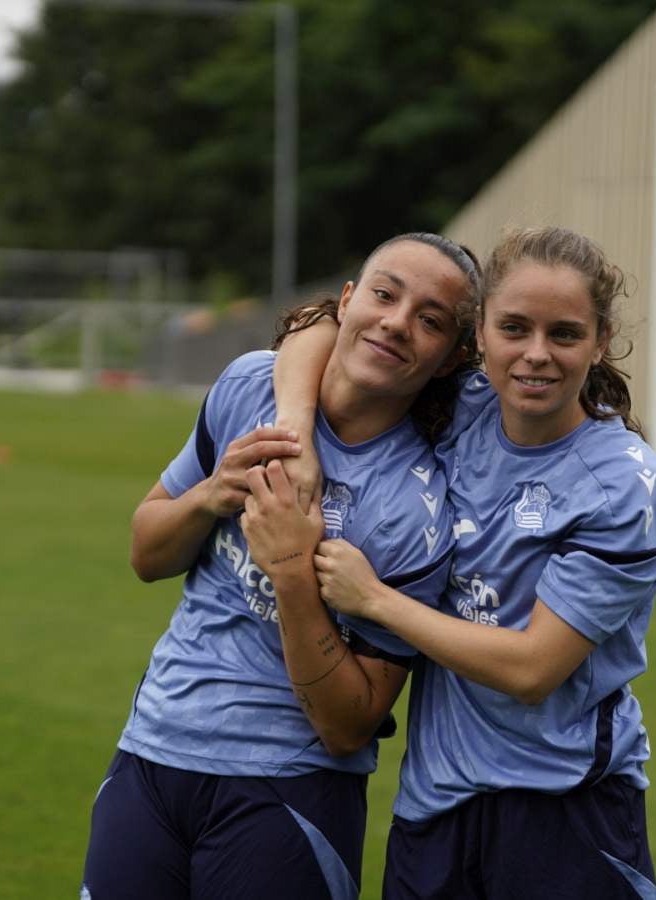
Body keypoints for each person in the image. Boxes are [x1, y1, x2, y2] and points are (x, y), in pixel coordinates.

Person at [273, 225, 656, 899]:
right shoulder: (463, 403)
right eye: (514, 328)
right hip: (433, 806)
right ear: (480, 334)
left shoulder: (623, 488)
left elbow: (531, 670)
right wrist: (293, 426)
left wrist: (374, 600)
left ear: (601, 340)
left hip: (564, 808)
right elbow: (320, 327)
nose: (536, 355)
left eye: (564, 334)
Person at [81, 232, 481, 900]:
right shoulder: (249, 386)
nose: (396, 322)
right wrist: (211, 495)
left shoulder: (419, 511)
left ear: (451, 359)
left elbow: (346, 726)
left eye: (430, 320)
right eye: (384, 294)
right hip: (151, 751)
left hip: (289, 790)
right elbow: (146, 555)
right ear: (347, 301)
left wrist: (293, 571)